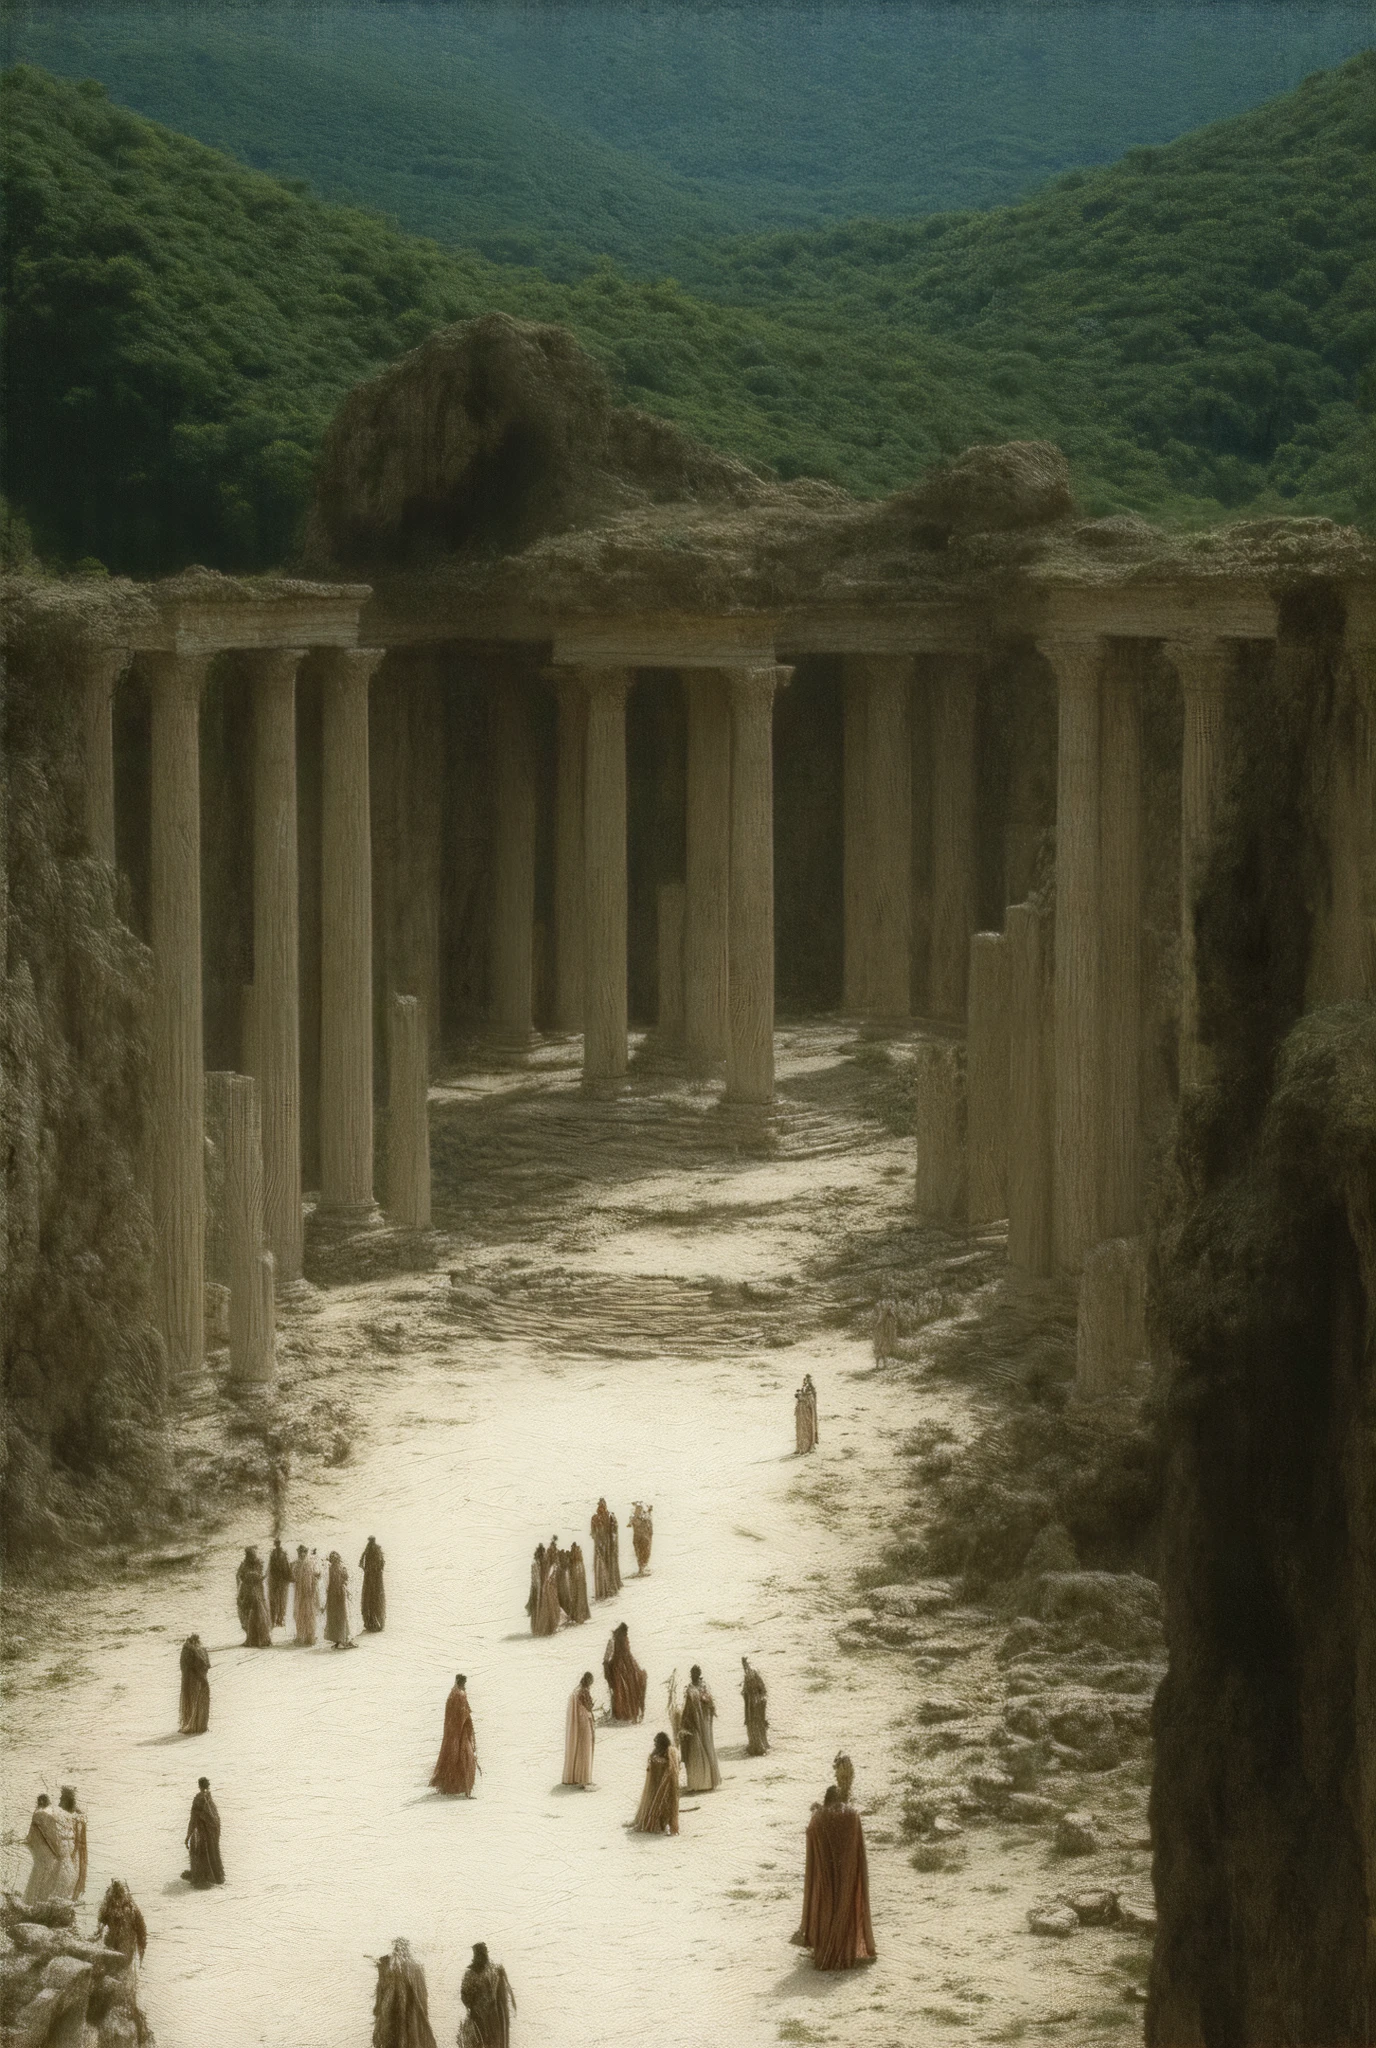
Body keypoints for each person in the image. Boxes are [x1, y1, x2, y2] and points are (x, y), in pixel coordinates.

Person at [792, 1784, 876, 1970]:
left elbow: (812, 1844)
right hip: (848, 1871)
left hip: (825, 1873)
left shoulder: (819, 1818)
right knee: (846, 1907)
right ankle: (845, 1954)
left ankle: (827, 1953)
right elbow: (858, 1848)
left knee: (826, 1908)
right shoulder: (853, 1815)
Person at [372, 1936, 438, 2048]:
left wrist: (378, 2010)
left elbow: (381, 1991)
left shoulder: (390, 1967)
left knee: (394, 2038)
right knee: (408, 2037)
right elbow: (422, 1995)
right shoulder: (415, 1967)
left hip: (394, 2012)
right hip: (408, 2012)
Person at [458, 1942, 516, 2048]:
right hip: (485, 2018)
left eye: (481, 1954)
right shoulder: (489, 1971)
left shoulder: (485, 1972)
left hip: (486, 2017)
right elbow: (465, 1997)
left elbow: (465, 1998)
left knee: (486, 2042)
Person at [431, 1674, 478, 1796]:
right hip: (460, 1733)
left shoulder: (452, 1694)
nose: (465, 1686)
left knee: (452, 1758)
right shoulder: (459, 1695)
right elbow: (462, 1715)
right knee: (466, 1759)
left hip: (452, 1734)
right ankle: (466, 1791)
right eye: (464, 1683)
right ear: (460, 1682)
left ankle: (451, 1788)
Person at [23, 1794, 75, 1904]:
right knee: (44, 1874)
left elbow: (36, 1835)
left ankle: (32, 1902)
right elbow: (50, 1836)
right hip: (44, 1850)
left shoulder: (39, 1813)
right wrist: (58, 1851)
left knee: (39, 1873)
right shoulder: (43, 1814)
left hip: (39, 1849)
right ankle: (36, 1902)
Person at [679, 1666, 722, 1792]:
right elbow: (689, 1707)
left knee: (705, 1747)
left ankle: (704, 1782)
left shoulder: (701, 1688)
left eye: (695, 1673)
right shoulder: (692, 1689)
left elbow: (710, 1704)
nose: (693, 1675)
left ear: (698, 1675)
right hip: (697, 1722)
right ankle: (703, 1782)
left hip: (703, 1723)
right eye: (692, 1673)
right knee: (699, 1748)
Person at [631, 1732, 681, 1836]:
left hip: (666, 1784)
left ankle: (663, 1826)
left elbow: (669, 1766)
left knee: (662, 1805)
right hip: (662, 1784)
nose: (654, 1745)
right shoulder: (664, 1752)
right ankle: (663, 1826)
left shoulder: (671, 1752)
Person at [97, 1879, 148, 1971]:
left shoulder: (110, 1905)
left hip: (119, 1946)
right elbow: (142, 1934)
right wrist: (141, 1957)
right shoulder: (130, 1907)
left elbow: (100, 1923)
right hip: (119, 1946)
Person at [602, 1621, 647, 1723]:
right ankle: (623, 1713)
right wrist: (607, 1668)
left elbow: (628, 1653)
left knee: (634, 1682)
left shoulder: (624, 1639)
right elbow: (606, 1657)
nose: (626, 1636)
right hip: (618, 1669)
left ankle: (630, 1713)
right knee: (623, 1688)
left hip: (628, 1666)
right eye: (625, 1634)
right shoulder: (612, 1641)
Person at [183, 1777, 224, 1887]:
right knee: (211, 1852)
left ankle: (203, 1876)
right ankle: (215, 1877)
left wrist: (188, 1836)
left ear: (199, 1785)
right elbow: (216, 1818)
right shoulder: (209, 1798)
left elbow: (193, 1818)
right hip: (211, 1831)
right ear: (207, 1785)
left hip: (201, 1831)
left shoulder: (198, 1798)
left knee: (200, 1852)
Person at [562, 1671, 596, 1788]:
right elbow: (589, 1706)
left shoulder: (577, 1691)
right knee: (586, 1748)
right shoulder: (584, 1692)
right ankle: (584, 1778)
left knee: (580, 1747)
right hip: (585, 1720)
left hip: (581, 1721)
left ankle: (577, 1776)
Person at [236, 1545, 272, 1647]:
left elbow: (263, 1576)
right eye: (249, 1555)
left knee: (258, 1614)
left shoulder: (259, 1563)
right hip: (247, 1590)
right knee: (246, 1614)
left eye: (252, 1555)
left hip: (256, 1591)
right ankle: (250, 1638)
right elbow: (238, 1576)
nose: (251, 1557)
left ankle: (260, 1639)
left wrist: (252, 1576)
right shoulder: (244, 1565)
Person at [59, 1786, 87, 1900]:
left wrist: (73, 1851)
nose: (60, 1801)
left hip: (76, 1849)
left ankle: (71, 1899)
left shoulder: (78, 1815)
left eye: (62, 1798)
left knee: (74, 1874)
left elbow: (78, 1837)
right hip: (72, 1848)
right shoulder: (72, 1814)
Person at [179, 1633, 211, 1734]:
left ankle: (192, 1725)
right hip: (203, 1680)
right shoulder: (202, 1649)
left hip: (190, 1681)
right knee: (200, 1701)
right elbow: (207, 1665)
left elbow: (184, 1667)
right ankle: (200, 1726)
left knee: (191, 1701)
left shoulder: (187, 1650)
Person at [325, 1550, 355, 1648]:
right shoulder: (337, 1569)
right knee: (339, 1617)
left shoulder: (334, 1569)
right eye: (334, 1559)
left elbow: (344, 1579)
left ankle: (341, 1639)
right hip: (336, 1595)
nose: (335, 1560)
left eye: (335, 1559)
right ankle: (341, 1640)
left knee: (338, 1617)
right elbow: (345, 1578)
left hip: (335, 1595)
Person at [292, 1544, 321, 1646]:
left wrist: (314, 1582)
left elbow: (317, 1575)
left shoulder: (310, 1564)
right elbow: (293, 1577)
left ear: (306, 1553)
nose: (302, 1554)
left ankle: (309, 1636)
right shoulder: (296, 1565)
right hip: (300, 1594)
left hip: (309, 1593)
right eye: (300, 1553)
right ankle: (301, 1636)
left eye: (304, 1552)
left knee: (309, 1614)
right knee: (299, 1615)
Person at [741, 1657, 769, 1755]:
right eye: (744, 1664)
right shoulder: (747, 1675)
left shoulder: (754, 1674)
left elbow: (763, 1689)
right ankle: (755, 1746)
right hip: (750, 1704)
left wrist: (761, 1699)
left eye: (746, 1664)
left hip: (756, 1703)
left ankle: (760, 1747)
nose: (745, 1666)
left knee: (757, 1723)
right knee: (752, 1724)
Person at [360, 1537, 387, 1632]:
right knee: (377, 1600)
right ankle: (378, 1622)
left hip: (368, 1579)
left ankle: (370, 1623)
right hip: (377, 1580)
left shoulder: (367, 1550)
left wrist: (366, 1571)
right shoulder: (377, 1550)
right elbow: (382, 1564)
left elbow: (361, 1564)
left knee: (369, 1600)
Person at [267, 1538, 293, 1628]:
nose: (277, 1545)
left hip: (282, 1580)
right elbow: (270, 1567)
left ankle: (281, 1619)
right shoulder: (272, 1554)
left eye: (278, 1543)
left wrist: (288, 1577)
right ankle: (274, 1619)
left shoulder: (283, 1554)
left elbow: (287, 1566)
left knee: (283, 1600)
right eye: (276, 1543)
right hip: (275, 1579)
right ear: (275, 1544)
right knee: (274, 1600)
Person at [590, 1499, 613, 1600]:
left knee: (607, 1566)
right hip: (598, 1545)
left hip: (607, 1545)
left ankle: (607, 1589)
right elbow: (592, 1532)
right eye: (599, 1506)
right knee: (600, 1567)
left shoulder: (608, 1517)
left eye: (602, 1506)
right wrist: (597, 1538)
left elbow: (611, 1531)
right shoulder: (594, 1518)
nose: (601, 1508)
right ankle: (601, 1591)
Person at [566, 1541, 591, 1623]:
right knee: (577, 1595)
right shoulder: (578, 1562)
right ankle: (578, 1616)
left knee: (578, 1595)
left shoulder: (577, 1562)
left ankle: (579, 1616)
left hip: (578, 1580)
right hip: (577, 1579)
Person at [795, 1374, 819, 1454]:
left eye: (809, 1380)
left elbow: (811, 1401)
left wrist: (802, 1397)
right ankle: (801, 1447)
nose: (806, 1381)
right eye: (805, 1380)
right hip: (801, 1411)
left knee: (808, 1427)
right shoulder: (804, 1388)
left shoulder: (811, 1391)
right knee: (801, 1428)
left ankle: (810, 1447)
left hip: (807, 1412)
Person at [629, 1501, 653, 1574]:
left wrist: (649, 1512)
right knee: (639, 1553)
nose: (638, 1510)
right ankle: (641, 1568)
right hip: (638, 1538)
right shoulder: (634, 1518)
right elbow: (634, 1523)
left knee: (645, 1552)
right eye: (637, 1508)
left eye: (640, 1508)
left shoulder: (645, 1517)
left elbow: (649, 1527)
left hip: (645, 1538)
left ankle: (644, 1567)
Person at [607, 1508, 624, 1593]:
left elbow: (614, 1531)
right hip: (606, 1545)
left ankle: (613, 1584)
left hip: (611, 1546)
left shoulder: (611, 1517)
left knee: (612, 1562)